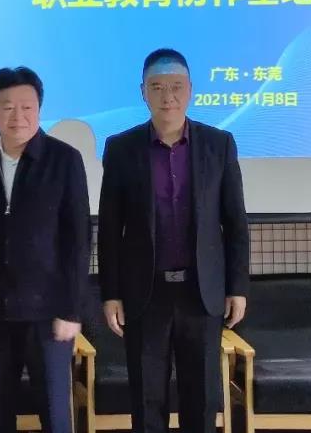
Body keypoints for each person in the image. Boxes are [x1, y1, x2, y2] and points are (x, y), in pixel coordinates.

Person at [97, 49, 250, 433]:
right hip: (145, 294)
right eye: (158, 87)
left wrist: (237, 287)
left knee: (202, 400)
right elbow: (110, 228)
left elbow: (235, 222)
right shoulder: (121, 148)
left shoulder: (218, 144)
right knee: (147, 400)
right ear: (143, 92)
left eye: (177, 86)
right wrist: (110, 293)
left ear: (191, 90)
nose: (168, 96)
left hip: (202, 293)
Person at [0, 66, 90, 433]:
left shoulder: (65, 159)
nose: (18, 116)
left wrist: (72, 309)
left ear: (39, 109)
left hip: (49, 311)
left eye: (27, 107)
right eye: (7, 107)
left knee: (55, 413)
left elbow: (78, 240)